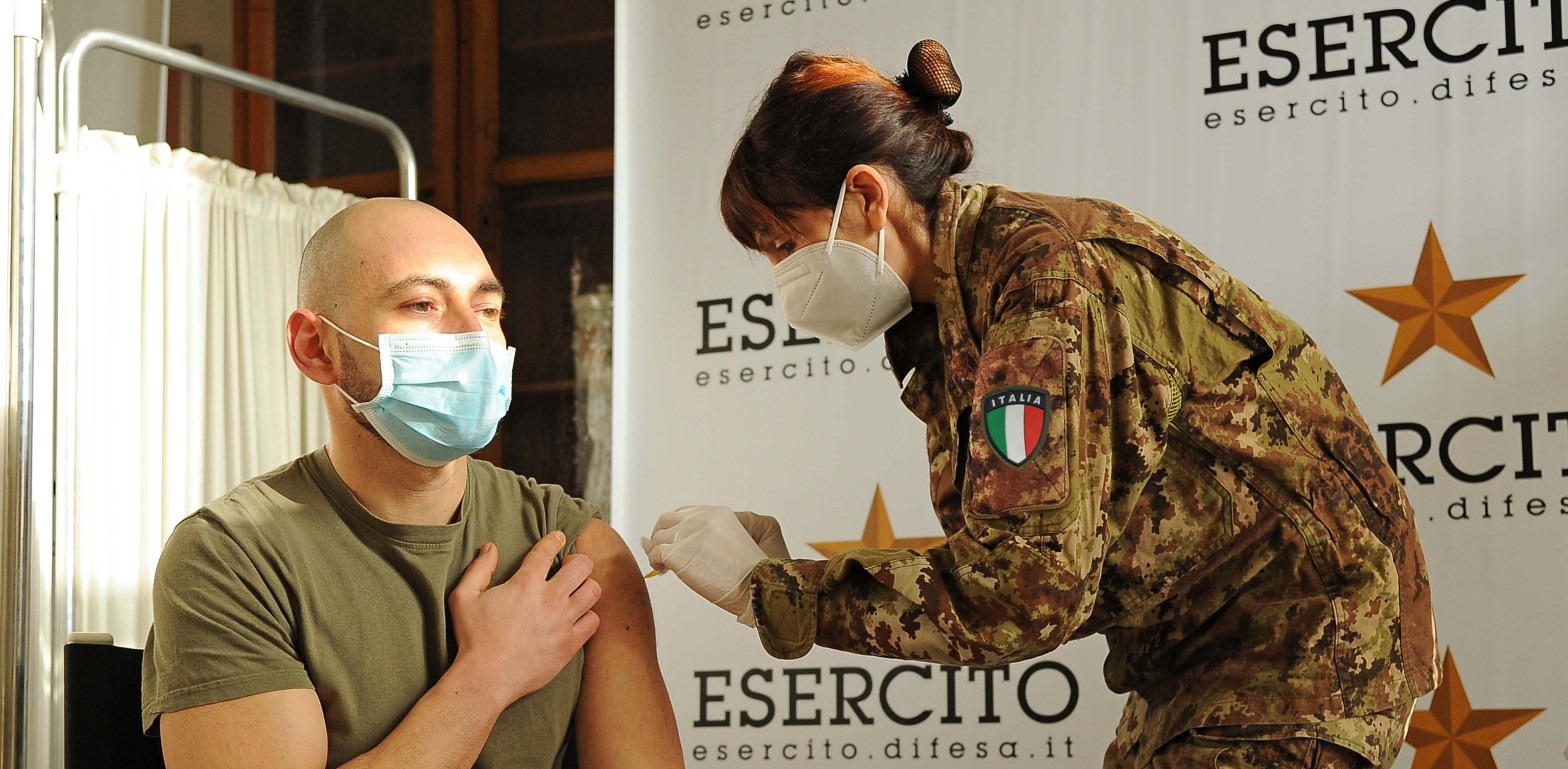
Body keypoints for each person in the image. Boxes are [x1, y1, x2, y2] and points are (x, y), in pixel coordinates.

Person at [644, 40, 1438, 769]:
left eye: (784, 242)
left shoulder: (1041, 280)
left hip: (1298, 652)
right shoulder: (956, 308)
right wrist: (781, 577)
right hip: (1205, 657)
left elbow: (1024, 590)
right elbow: (1036, 557)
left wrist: (776, 590)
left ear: (865, 196)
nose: (781, 277)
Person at [143, 198, 682, 769]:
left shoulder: (581, 551)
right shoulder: (231, 557)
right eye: (421, 304)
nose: (474, 336)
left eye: (488, 309)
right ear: (315, 348)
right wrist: (487, 678)